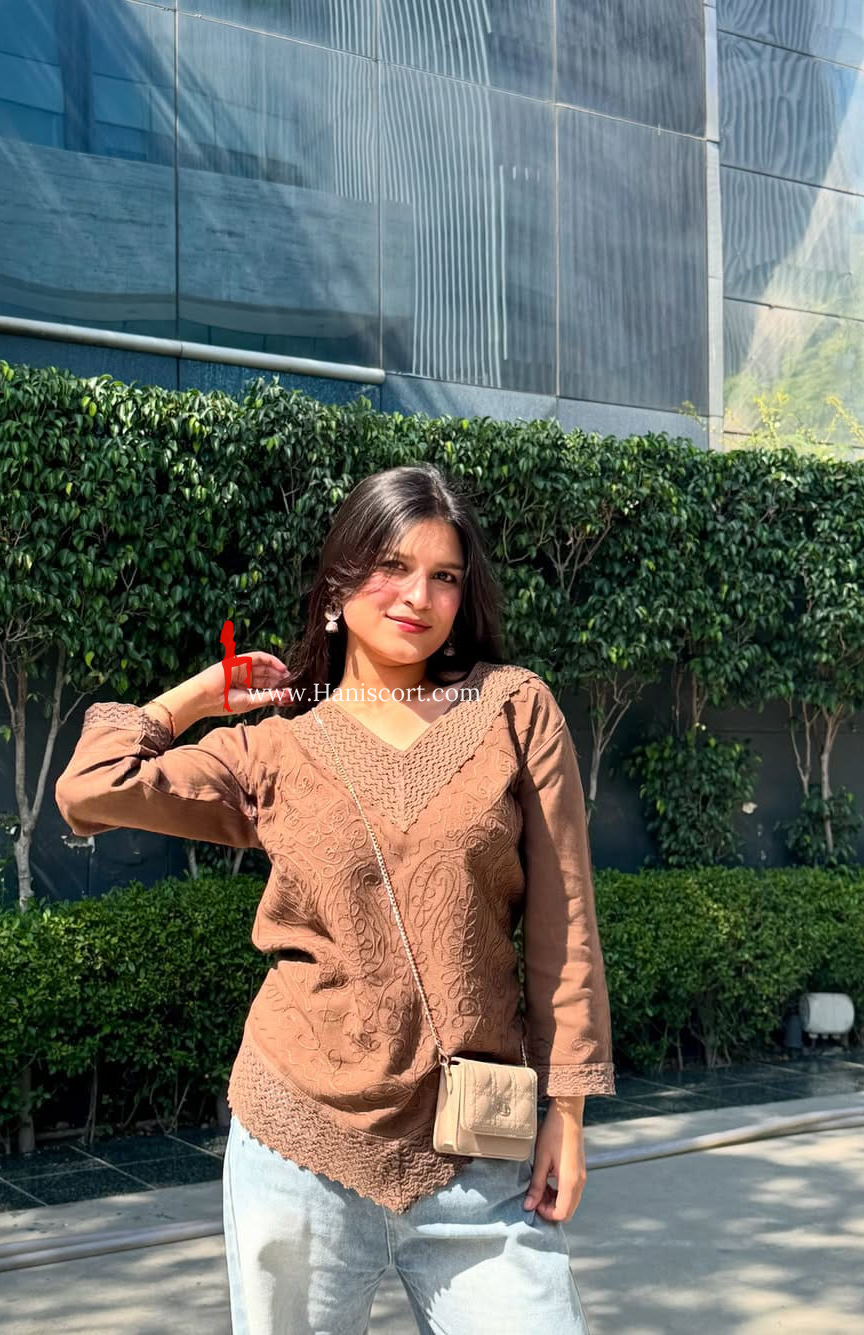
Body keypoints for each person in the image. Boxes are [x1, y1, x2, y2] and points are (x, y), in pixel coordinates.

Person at [55, 463, 616, 1334]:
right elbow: (90, 788)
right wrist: (202, 695)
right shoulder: (274, 751)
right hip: (298, 1144)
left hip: (476, 1153)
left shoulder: (512, 709)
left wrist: (567, 1112)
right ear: (338, 583)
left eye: (444, 575)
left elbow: (565, 921)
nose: (418, 596)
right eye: (392, 565)